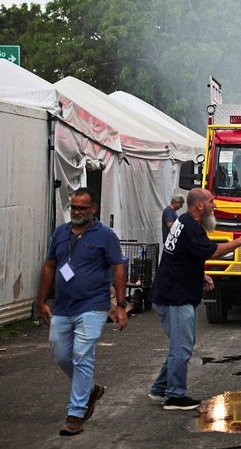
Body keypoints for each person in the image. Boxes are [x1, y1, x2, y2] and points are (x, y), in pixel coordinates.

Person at [149, 188, 241, 411]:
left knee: (180, 346)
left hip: (173, 292)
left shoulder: (186, 223)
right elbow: (212, 251)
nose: (214, 205)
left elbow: (181, 258)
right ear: (200, 206)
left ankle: (160, 388)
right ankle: (175, 396)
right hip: (175, 297)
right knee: (182, 348)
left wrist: (200, 275)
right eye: (211, 201)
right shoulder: (189, 227)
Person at [37, 187, 128, 436]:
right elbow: (49, 265)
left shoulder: (105, 235)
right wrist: (41, 300)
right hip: (63, 306)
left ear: (93, 209)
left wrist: (120, 305)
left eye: (81, 208)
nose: (76, 211)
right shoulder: (60, 233)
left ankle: (75, 413)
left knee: (82, 354)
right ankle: (90, 390)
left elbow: (118, 267)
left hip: (93, 305)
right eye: (73, 207)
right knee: (60, 354)